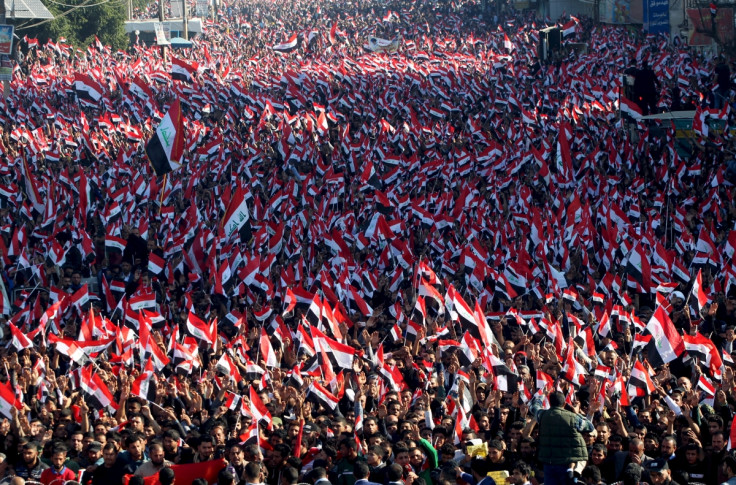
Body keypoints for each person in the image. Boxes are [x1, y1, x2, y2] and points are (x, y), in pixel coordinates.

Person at [531, 391, 594, 485]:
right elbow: (590, 427)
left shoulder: (543, 415)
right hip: (567, 464)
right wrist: (575, 412)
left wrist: (542, 396)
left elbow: (534, 407)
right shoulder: (573, 417)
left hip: (549, 462)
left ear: (550, 402)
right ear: (564, 404)